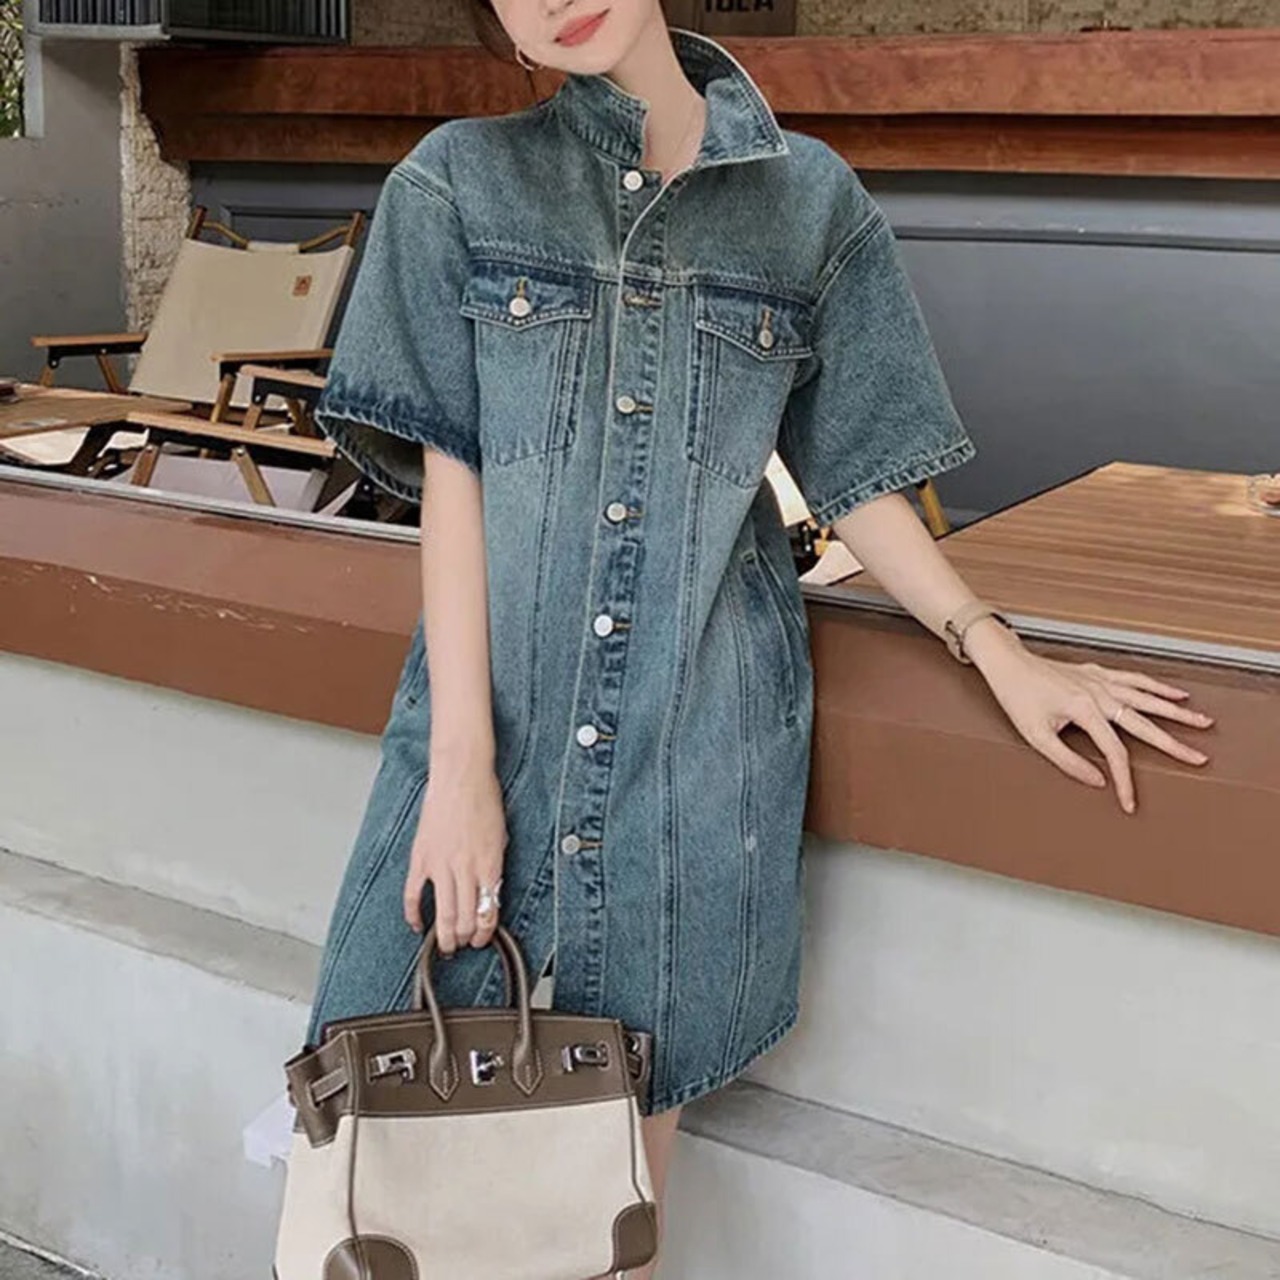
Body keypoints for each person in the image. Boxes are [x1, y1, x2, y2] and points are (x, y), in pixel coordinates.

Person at [301, 4, 1217, 1275]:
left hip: (691, 766)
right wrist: (461, 768)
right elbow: (449, 477)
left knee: (605, 1216)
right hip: (480, 742)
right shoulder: (455, 183)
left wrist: (992, 645)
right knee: (374, 1157)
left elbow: (857, 473)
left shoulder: (809, 203)